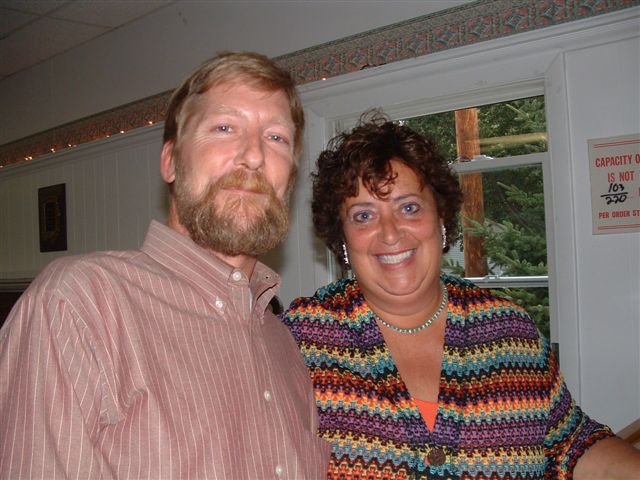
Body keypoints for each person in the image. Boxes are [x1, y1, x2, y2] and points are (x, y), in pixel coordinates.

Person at [0, 52, 330, 479]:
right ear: (170, 162)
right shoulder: (78, 305)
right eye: (224, 127)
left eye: (276, 137)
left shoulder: (283, 346)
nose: (253, 155)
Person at [282, 112, 640, 479]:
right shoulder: (298, 340)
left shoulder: (510, 330)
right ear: (342, 237)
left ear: (441, 218)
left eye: (409, 207)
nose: (390, 233)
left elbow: (570, 443)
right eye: (363, 215)